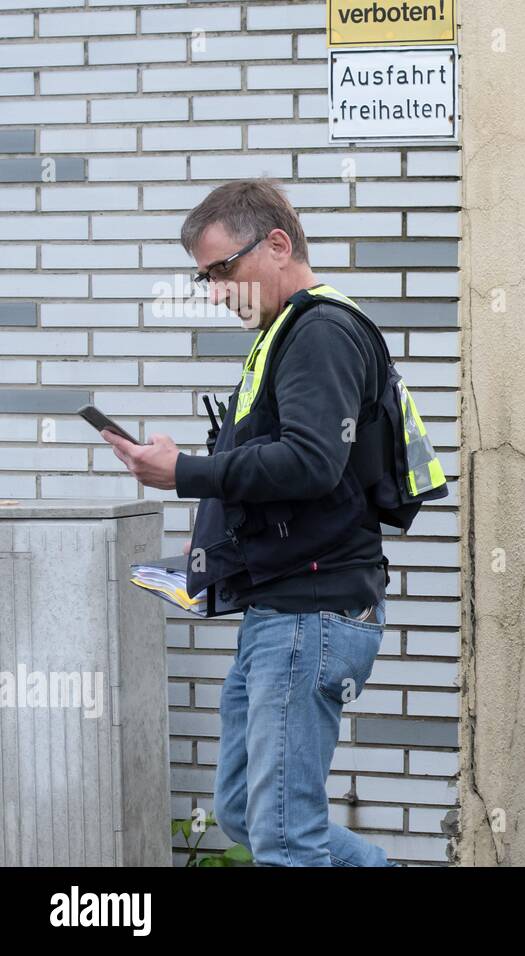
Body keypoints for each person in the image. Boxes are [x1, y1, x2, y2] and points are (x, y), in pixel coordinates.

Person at [102, 179, 397, 866]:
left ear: (276, 243)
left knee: (284, 837)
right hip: (281, 613)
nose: (214, 291)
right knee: (242, 810)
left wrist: (185, 473)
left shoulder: (318, 333)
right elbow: (286, 473)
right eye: (203, 278)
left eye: (221, 270)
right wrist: (213, 535)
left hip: (309, 616)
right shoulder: (285, 334)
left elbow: (312, 463)